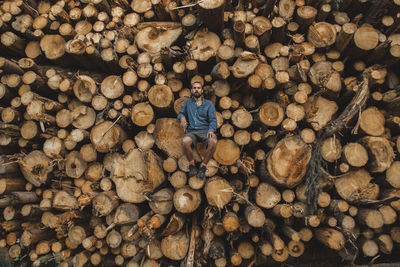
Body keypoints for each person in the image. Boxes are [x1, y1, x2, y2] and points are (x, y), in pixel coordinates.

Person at [177, 82, 218, 179]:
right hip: (192, 132)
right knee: (185, 141)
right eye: (194, 88)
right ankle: (192, 166)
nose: (196, 90)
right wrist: (182, 118)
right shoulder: (188, 102)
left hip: (205, 131)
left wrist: (211, 129)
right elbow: (181, 113)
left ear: (202, 91)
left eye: (198, 88)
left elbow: (213, 119)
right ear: (191, 90)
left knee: (213, 141)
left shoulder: (209, 104)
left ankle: (203, 166)